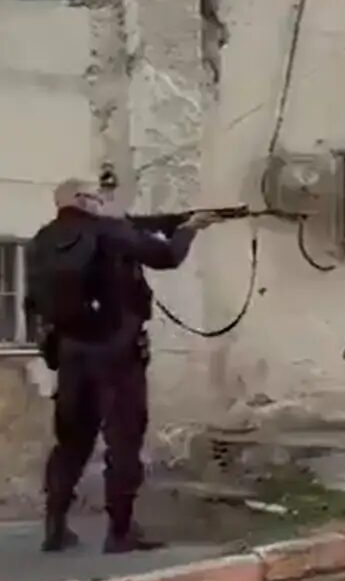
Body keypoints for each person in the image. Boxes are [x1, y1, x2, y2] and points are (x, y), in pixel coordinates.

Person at [25, 177, 219, 553]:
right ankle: (121, 532)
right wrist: (190, 230)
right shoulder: (108, 231)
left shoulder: (39, 242)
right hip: (117, 350)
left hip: (69, 351)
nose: (102, 204)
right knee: (124, 439)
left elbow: (33, 303)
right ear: (82, 200)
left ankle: (55, 527)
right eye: (96, 198)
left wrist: (161, 222)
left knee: (71, 442)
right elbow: (166, 257)